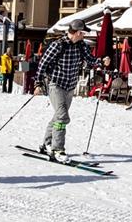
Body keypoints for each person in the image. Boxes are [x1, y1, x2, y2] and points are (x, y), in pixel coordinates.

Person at [35, 19, 104, 161]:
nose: (84, 35)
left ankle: (46, 144)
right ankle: (57, 149)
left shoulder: (81, 46)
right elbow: (43, 63)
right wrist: (38, 83)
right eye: (83, 33)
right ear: (78, 32)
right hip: (56, 85)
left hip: (70, 86)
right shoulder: (58, 45)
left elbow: (90, 60)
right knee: (62, 116)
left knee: (58, 116)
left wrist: (102, 62)